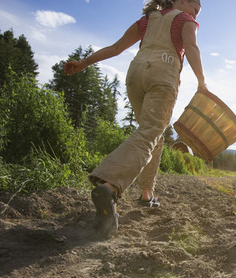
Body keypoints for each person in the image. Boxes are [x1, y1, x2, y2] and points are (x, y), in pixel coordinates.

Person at [64, 0, 206, 240]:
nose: (196, 13)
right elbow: (191, 47)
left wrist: (84, 63)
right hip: (163, 72)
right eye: (195, 8)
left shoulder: (149, 18)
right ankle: (110, 186)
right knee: (150, 132)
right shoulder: (186, 20)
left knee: (152, 135)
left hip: (136, 73)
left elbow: (117, 47)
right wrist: (202, 82)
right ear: (183, 1)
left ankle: (147, 194)